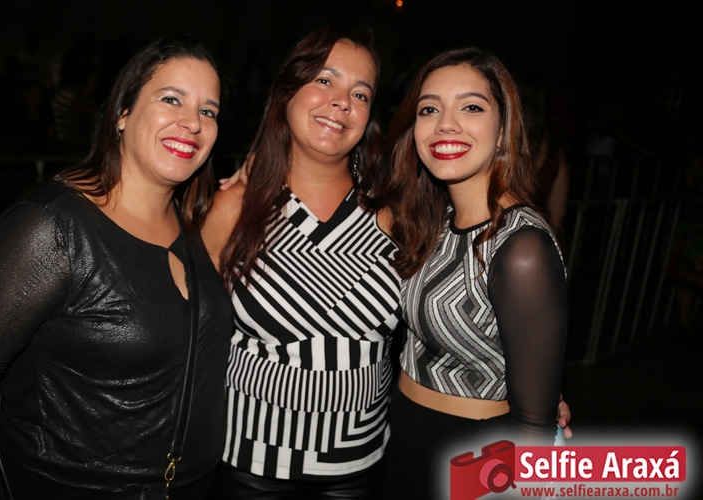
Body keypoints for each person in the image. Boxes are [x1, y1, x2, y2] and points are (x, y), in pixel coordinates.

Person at [0, 36, 233, 500]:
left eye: (208, 110)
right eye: (171, 99)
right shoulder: (53, 225)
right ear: (122, 112)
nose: (193, 122)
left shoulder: (194, 229)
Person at [202, 26, 399, 499]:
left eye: (360, 94)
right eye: (324, 80)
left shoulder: (390, 211)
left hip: (360, 462)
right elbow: (191, 329)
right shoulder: (235, 208)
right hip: (251, 462)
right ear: (287, 89)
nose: (341, 102)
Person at [381, 48, 567, 499]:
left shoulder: (521, 248)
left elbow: (534, 425)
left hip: (472, 452)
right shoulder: (434, 219)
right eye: (429, 109)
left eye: (471, 108)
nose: (446, 124)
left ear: (503, 132)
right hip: (402, 434)